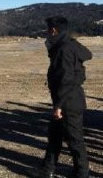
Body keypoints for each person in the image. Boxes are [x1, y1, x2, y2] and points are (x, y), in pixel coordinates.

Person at [29, 16, 92, 178]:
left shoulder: (64, 49)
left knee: (74, 140)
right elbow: (78, 73)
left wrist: (58, 106)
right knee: (54, 136)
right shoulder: (70, 45)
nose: (47, 34)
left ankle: (82, 173)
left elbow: (66, 80)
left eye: (48, 30)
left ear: (54, 30)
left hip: (68, 103)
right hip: (69, 99)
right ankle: (47, 169)